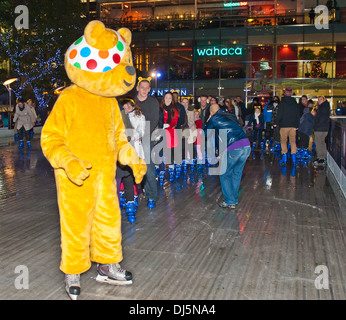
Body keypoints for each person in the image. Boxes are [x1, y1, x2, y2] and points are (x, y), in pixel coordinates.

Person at [204, 104, 251, 209]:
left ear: (211, 112)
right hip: (246, 145)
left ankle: (230, 201)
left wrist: (207, 122)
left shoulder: (214, 118)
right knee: (236, 173)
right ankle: (233, 199)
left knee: (224, 174)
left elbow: (205, 133)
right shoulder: (230, 116)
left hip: (234, 147)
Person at [117, 97, 146, 223]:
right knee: (117, 180)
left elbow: (139, 131)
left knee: (129, 176)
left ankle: (131, 200)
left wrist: (132, 136)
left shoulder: (136, 116)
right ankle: (120, 200)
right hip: (115, 153)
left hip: (129, 149)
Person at [135, 77, 160, 208]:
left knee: (148, 166)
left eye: (147, 88)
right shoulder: (132, 101)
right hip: (131, 137)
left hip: (146, 138)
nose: (144, 90)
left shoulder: (152, 102)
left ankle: (152, 195)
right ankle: (134, 193)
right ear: (137, 88)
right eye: (142, 87)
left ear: (149, 90)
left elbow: (153, 120)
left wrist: (142, 135)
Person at [158, 92, 184, 182]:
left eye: (170, 98)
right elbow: (157, 120)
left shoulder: (175, 109)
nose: (168, 100)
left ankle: (172, 169)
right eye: (166, 98)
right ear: (163, 99)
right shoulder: (160, 109)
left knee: (170, 152)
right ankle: (161, 170)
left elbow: (178, 120)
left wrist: (170, 125)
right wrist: (161, 126)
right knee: (160, 152)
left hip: (171, 132)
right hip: (161, 133)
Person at [274, 87, 300, 165]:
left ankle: (284, 157)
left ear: (285, 93)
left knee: (283, 141)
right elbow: (297, 114)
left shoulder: (282, 102)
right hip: (293, 126)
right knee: (292, 141)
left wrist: (276, 122)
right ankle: (294, 157)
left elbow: (279, 114)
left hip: (284, 125)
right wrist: (297, 125)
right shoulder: (294, 102)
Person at [312, 96, 331, 167]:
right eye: (318, 100)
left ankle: (320, 157)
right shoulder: (326, 106)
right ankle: (323, 157)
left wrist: (315, 115)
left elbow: (319, 118)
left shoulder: (322, 108)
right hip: (324, 128)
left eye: (320, 99)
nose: (319, 101)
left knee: (318, 142)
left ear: (324, 100)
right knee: (322, 142)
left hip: (320, 128)